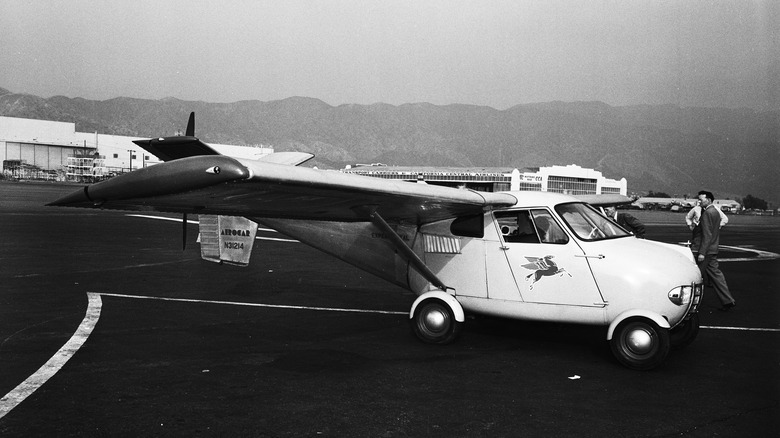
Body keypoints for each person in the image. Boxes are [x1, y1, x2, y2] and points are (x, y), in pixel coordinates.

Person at [695, 190, 736, 311]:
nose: (699, 202)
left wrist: (702, 252)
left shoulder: (708, 213)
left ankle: (692, 304)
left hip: (706, 250)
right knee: (716, 276)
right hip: (713, 248)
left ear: (708, 200)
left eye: (701, 200)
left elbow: (707, 235)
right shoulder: (715, 212)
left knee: (696, 276)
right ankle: (727, 300)